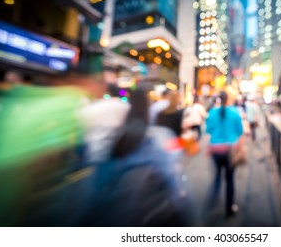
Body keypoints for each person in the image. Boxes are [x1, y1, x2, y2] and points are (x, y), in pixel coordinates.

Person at [81, 84, 198, 226]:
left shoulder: (117, 140)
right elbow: (175, 187)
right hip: (149, 212)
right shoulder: (156, 139)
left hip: (118, 213)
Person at [206, 91, 243, 217]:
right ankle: (229, 208)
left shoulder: (212, 113)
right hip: (230, 149)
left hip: (215, 149)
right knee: (229, 178)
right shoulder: (234, 113)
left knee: (217, 174)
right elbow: (240, 131)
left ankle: (213, 201)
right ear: (228, 100)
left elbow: (209, 130)